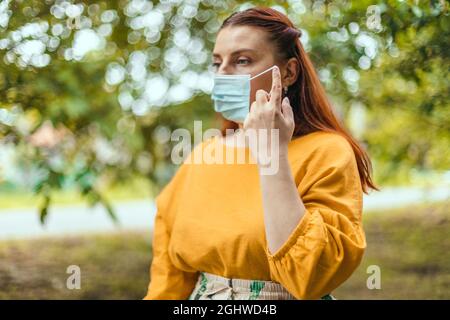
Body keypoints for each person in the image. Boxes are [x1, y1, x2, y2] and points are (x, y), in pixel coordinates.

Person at [143, 6, 378, 300]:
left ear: (289, 72)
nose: (223, 73)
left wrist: (271, 155)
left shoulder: (327, 151)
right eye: (217, 63)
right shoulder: (204, 154)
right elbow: (169, 279)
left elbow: (311, 276)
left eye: (242, 60)